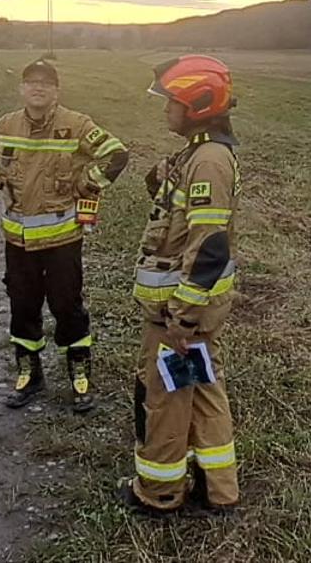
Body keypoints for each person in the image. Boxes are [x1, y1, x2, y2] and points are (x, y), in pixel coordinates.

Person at [0, 59, 130, 412]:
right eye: (30, 82)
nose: (37, 88)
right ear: (21, 89)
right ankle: (29, 375)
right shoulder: (7, 124)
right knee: (22, 307)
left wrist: (88, 184)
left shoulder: (76, 125)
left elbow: (117, 154)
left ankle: (79, 376)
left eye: (45, 83)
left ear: (57, 91)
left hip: (62, 241)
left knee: (67, 308)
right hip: (17, 241)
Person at [124, 54, 242, 514]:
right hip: (188, 312)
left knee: (167, 398)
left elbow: (210, 246)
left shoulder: (209, 159)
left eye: (171, 101)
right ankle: (219, 490)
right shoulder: (200, 152)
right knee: (203, 389)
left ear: (196, 103)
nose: (164, 109)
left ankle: (160, 494)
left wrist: (182, 316)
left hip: (178, 314)